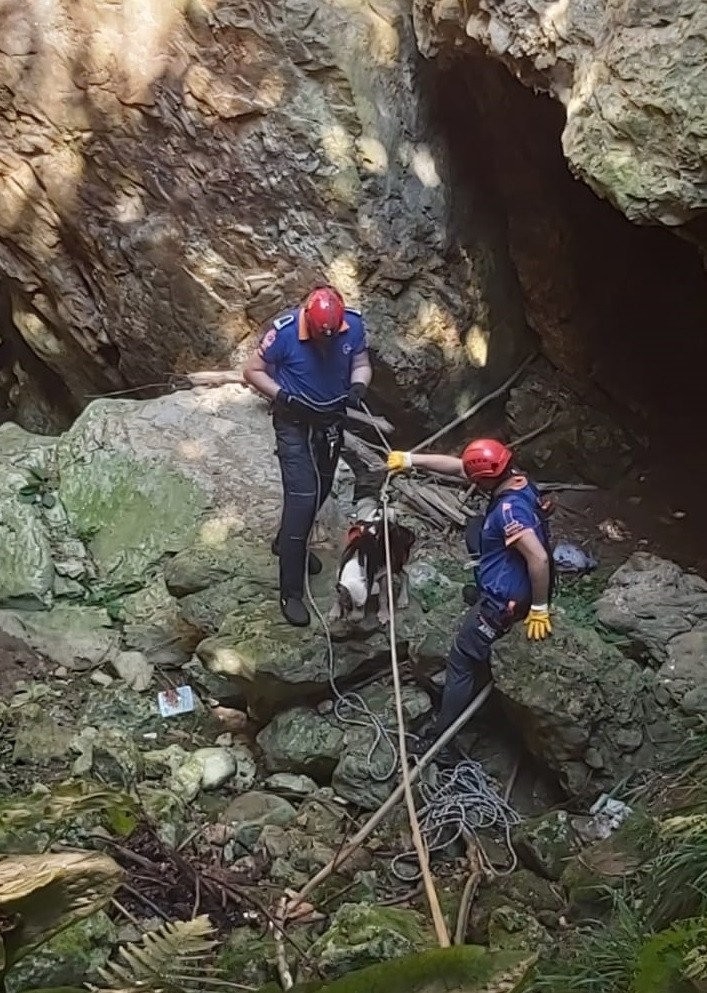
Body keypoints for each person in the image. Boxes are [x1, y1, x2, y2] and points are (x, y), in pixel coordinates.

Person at [387, 438, 554, 760]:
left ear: (487, 478)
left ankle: (442, 741)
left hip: (504, 603)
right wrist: (409, 459)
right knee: (476, 528)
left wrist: (539, 608)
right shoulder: (518, 480)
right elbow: (458, 468)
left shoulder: (508, 511)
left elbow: (539, 558)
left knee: (462, 659)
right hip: (510, 579)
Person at [238, 285, 373, 627]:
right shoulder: (283, 333)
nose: (325, 343)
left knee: (322, 488)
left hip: (330, 421)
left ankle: (287, 543)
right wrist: (283, 396)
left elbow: (360, 361)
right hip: (294, 423)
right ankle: (291, 592)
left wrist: (358, 385)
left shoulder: (352, 324)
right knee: (301, 499)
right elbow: (252, 371)